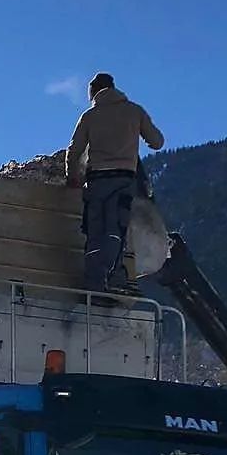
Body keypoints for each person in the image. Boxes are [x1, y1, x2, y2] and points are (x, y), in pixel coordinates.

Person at [65, 73, 165, 292]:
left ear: (93, 92)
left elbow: (74, 150)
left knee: (94, 231)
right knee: (115, 229)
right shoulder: (134, 111)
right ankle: (112, 277)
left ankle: (94, 282)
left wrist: (72, 176)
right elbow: (157, 142)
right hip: (123, 180)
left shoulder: (90, 116)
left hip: (96, 181)